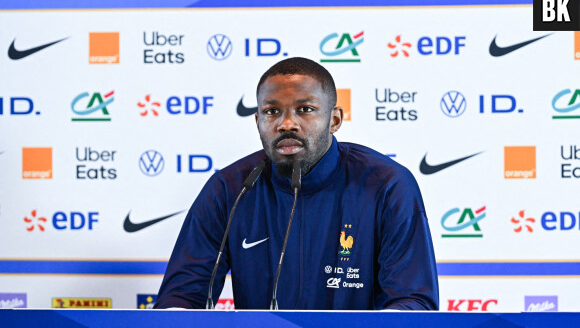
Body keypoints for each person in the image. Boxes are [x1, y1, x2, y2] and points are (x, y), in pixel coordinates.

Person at [154, 57, 439, 310]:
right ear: (257, 121)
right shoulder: (231, 188)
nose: (286, 124)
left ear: (335, 119)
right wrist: (176, 312)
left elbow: (412, 301)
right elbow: (182, 296)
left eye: (305, 109)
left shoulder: (386, 185)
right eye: (271, 111)